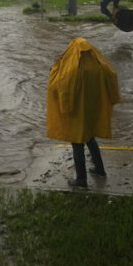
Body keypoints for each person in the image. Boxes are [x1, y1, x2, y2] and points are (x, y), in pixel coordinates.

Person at [47, 37, 120, 189]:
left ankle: (81, 180)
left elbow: (57, 87)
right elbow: (112, 76)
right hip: (91, 110)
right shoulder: (99, 66)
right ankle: (100, 170)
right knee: (90, 138)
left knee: (77, 143)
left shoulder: (71, 70)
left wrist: (56, 67)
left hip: (76, 112)